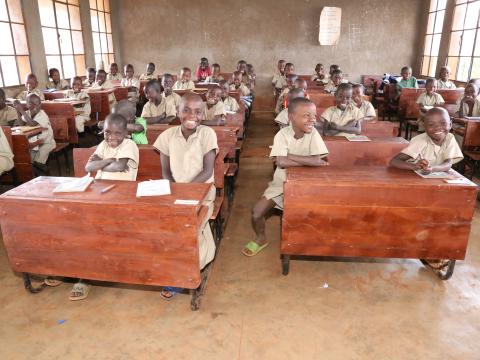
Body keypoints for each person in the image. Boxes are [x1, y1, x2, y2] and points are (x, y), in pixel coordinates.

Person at [243, 97, 329, 256]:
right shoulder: (282, 135)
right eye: (306, 116)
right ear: (291, 117)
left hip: (307, 185)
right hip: (281, 184)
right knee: (257, 212)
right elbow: (281, 162)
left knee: (311, 214)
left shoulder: (313, 133)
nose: (312, 120)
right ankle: (261, 238)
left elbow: (319, 161)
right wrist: (307, 161)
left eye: (314, 115)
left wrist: (290, 155)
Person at [66, 114, 139, 301]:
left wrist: (102, 164)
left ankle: (89, 274)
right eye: (107, 132)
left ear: (126, 133)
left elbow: (119, 166)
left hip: (122, 197)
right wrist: (107, 161)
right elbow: (89, 166)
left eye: (117, 133)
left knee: (99, 230)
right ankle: (77, 272)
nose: (111, 137)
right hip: (99, 193)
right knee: (77, 227)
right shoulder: (103, 145)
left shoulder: (129, 145)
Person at [153, 93, 217, 300]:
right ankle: (171, 267)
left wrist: (187, 191)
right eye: (186, 110)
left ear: (203, 114)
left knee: (191, 229)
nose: (192, 115)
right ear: (178, 112)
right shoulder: (168, 136)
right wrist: (175, 192)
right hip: (175, 193)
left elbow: (207, 171)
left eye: (198, 111)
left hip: (202, 192)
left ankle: (184, 274)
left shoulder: (207, 134)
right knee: (164, 228)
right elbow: (166, 172)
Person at [13, 94, 56, 173]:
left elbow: (32, 124)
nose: (35, 105)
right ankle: (35, 171)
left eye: (37, 103)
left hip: (47, 142)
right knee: (29, 158)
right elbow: (21, 124)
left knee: (39, 160)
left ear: (40, 104)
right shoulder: (28, 113)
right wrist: (18, 111)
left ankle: (42, 171)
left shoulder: (42, 114)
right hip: (35, 143)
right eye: (31, 103)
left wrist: (22, 111)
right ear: (27, 105)